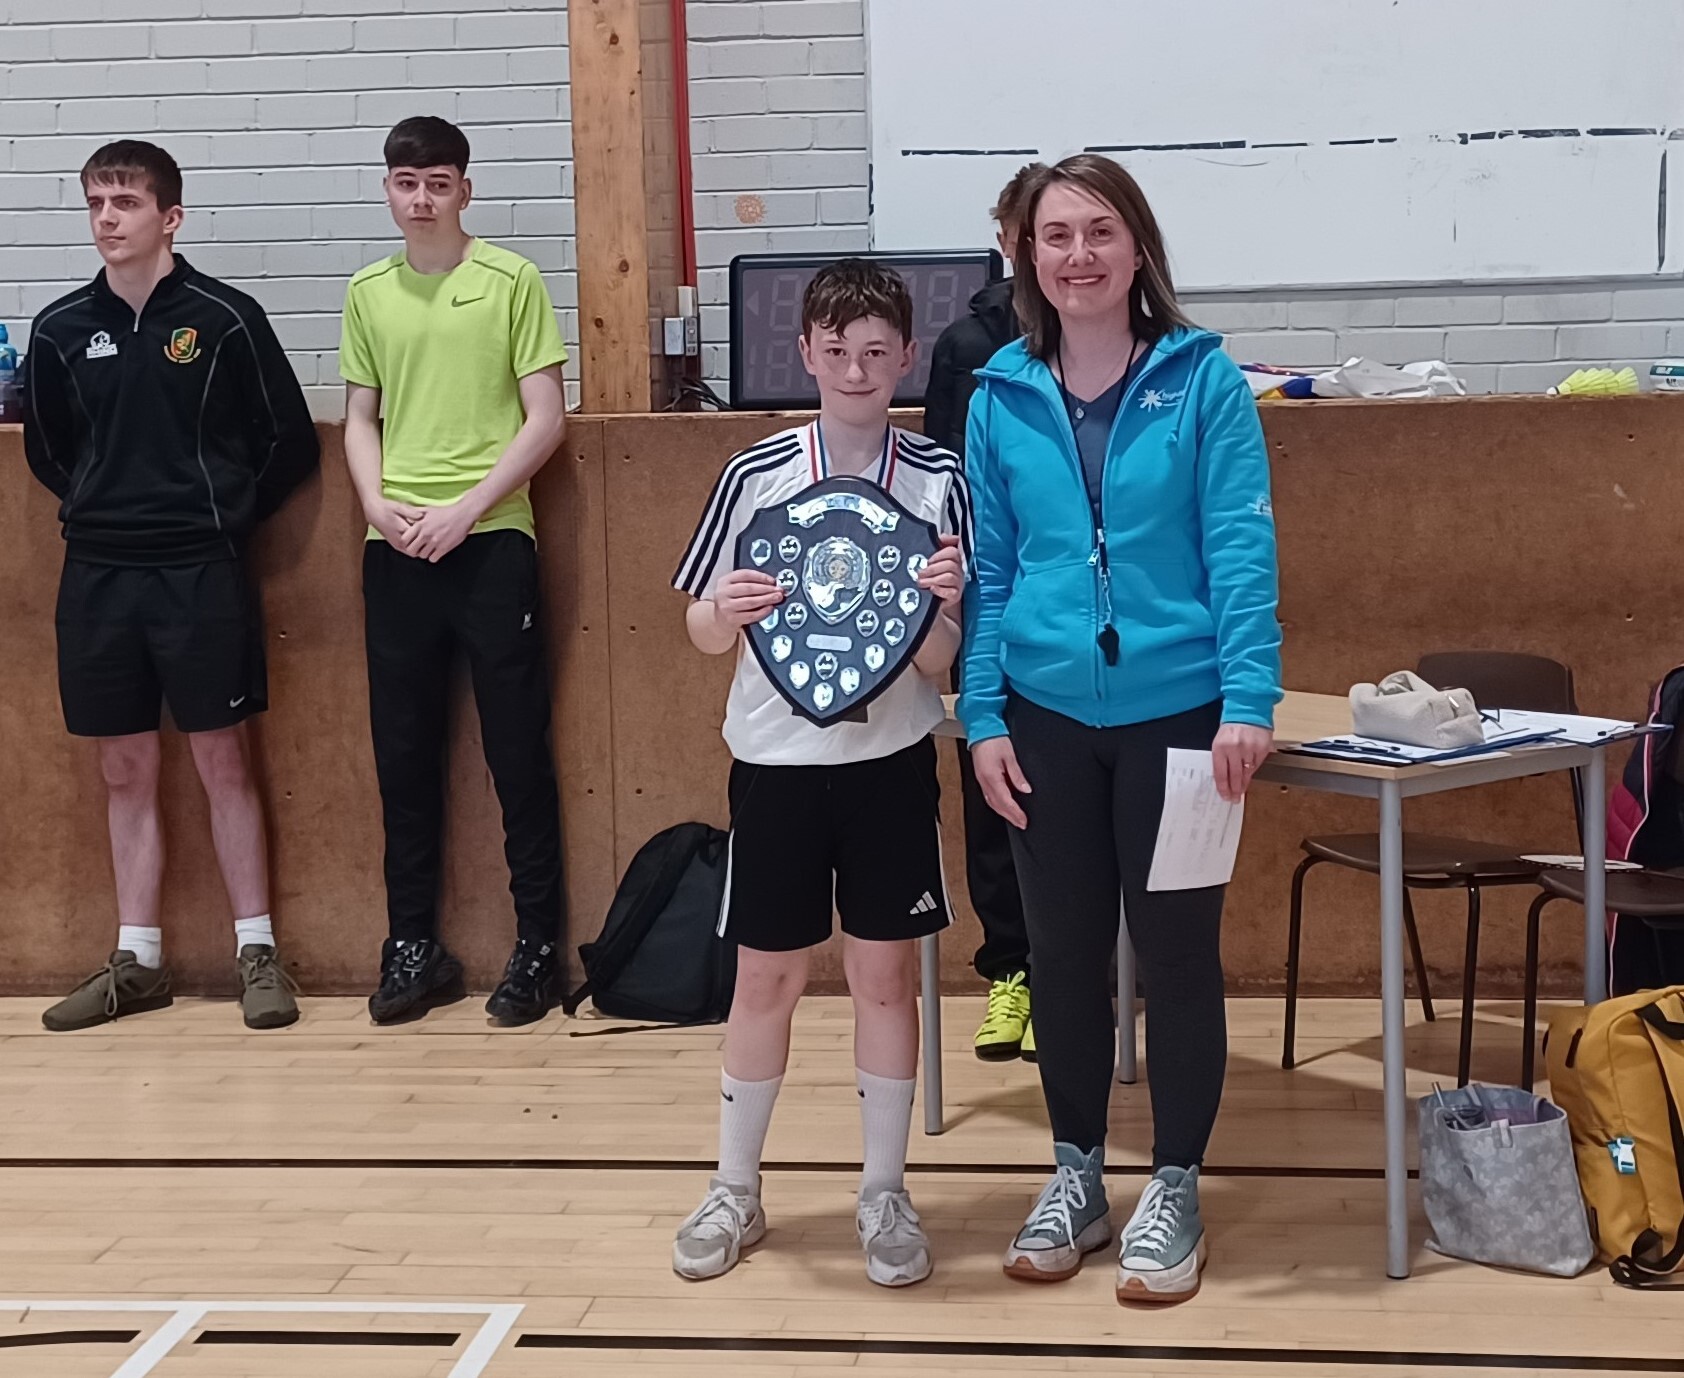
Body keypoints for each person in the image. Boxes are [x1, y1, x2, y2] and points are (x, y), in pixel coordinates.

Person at [959, 155, 1282, 1304]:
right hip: (1043, 718)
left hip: (1182, 715)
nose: (1078, 255)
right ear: (1027, 257)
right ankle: (1077, 1173)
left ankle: (1177, 1185)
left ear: (1136, 248)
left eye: (1100, 231)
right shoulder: (998, 393)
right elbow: (992, 571)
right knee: (1059, 956)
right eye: (1056, 236)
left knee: (1179, 956)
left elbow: (1239, 548)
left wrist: (1249, 698)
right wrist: (981, 712)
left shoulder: (1202, 382)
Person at [669, 259, 971, 1288]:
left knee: (884, 977)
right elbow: (701, 629)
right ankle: (734, 1186)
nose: (855, 367)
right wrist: (729, 610)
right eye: (835, 350)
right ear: (804, 353)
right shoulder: (754, 474)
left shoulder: (937, 479)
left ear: (905, 357)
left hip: (888, 764)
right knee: (768, 975)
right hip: (775, 762)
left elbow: (939, 661)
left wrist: (939, 607)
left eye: (876, 351)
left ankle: (883, 1192)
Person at [23, 140, 319, 1031]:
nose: (107, 218)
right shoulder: (60, 329)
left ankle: (257, 952)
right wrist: (105, 505)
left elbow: (289, 444)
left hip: (201, 571)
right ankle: (138, 960)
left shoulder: (225, 319)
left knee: (221, 758)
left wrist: (219, 517)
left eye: (124, 202)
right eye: (94, 204)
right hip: (101, 576)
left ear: (170, 217)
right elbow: (51, 451)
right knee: (123, 768)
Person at [339, 116, 569, 1027]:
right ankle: (412, 947)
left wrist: (468, 508)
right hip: (393, 550)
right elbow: (360, 417)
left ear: (464, 190)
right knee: (403, 756)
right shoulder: (367, 291)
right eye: (406, 183)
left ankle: (540, 944)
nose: (422, 198)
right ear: (387, 191)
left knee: (517, 752)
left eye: (438, 182)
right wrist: (375, 505)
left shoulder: (512, 279)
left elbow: (545, 417)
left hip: (491, 541)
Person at [922, 162, 1043, 1063]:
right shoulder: (968, 344)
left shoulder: (1126, 336)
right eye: (1029, 230)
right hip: (993, 601)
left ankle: (1090, 978)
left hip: (1092, 616)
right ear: (1007, 239)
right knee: (990, 788)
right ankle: (1011, 973)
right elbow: (942, 479)